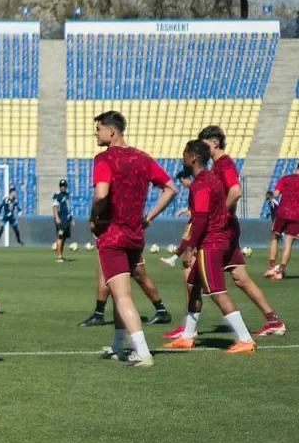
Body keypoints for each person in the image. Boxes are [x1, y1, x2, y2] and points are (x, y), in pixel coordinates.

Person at [90, 110, 177, 367]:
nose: (95, 133)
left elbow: (101, 193)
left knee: (122, 296)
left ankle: (142, 352)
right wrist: (149, 216)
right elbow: (171, 188)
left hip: (112, 235)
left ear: (111, 131)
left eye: (98, 129)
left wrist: (93, 217)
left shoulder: (104, 158)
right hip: (135, 235)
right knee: (120, 292)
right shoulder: (142, 158)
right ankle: (118, 345)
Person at [163, 140, 256, 353]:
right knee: (193, 286)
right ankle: (187, 336)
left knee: (217, 292)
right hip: (218, 238)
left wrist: (189, 248)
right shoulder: (213, 179)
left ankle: (245, 339)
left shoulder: (201, 184)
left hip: (210, 243)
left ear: (193, 158)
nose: (183, 159)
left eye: (185, 155)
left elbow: (201, 219)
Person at [197, 125, 285, 337]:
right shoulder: (218, 165)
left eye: (204, 144)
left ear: (215, 143)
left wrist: (219, 214)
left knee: (194, 271)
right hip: (227, 226)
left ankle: (187, 329)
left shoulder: (224, 163)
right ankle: (273, 320)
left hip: (222, 228)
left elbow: (235, 191)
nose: (201, 149)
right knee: (239, 277)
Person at [266, 164, 299, 280]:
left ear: (296, 168)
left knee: (275, 237)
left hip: (283, 212)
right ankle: (280, 271)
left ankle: (271, 267)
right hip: (297, 215)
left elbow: (276, 193)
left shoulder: (285, 178)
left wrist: (270, 195)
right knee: (288, 243)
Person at [52, 179, 74, 262]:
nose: (62, 187)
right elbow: (55, 207)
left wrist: (71, 219)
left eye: (64, 186)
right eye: (61, 186)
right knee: (60, 237)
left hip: (66, 220)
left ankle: (61, 255)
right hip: (60, 219)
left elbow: (68, 208)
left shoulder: (67, 195)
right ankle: (59, 256)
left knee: (64, 238)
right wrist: (56, 217)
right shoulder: (57, 195)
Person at [263, 189, 281, 277]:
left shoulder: (274, 201)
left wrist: (275, 222)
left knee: (274, 239)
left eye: (267, 195)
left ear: (269, 195)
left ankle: (273, 267)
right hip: (277, 221)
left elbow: (278, 211)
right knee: (274, 239)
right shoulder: (270, 202)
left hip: (278, 222)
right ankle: (273, 267)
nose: (266, 197)